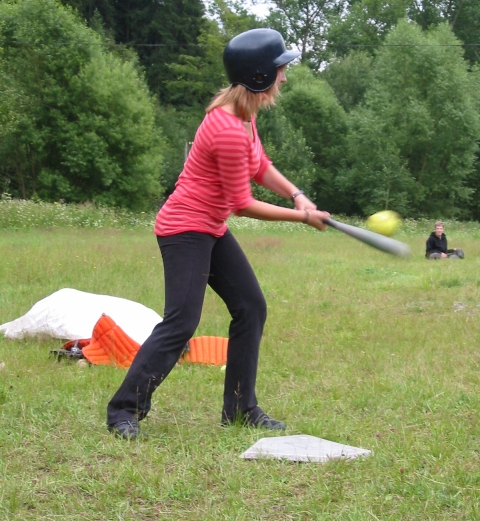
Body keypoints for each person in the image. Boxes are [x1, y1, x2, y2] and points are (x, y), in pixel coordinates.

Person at [107, 28, 331, 439]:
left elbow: (259, 165)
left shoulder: (245, 115)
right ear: (260, 76)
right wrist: (302, 218)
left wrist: (297, 195)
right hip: (184, 228)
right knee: (181, 322)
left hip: (210, 225)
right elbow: (242, 203)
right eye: (280, 69)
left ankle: (241, 409)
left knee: (250, 307)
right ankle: (123, 409)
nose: (284, 76)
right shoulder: (226, 128)